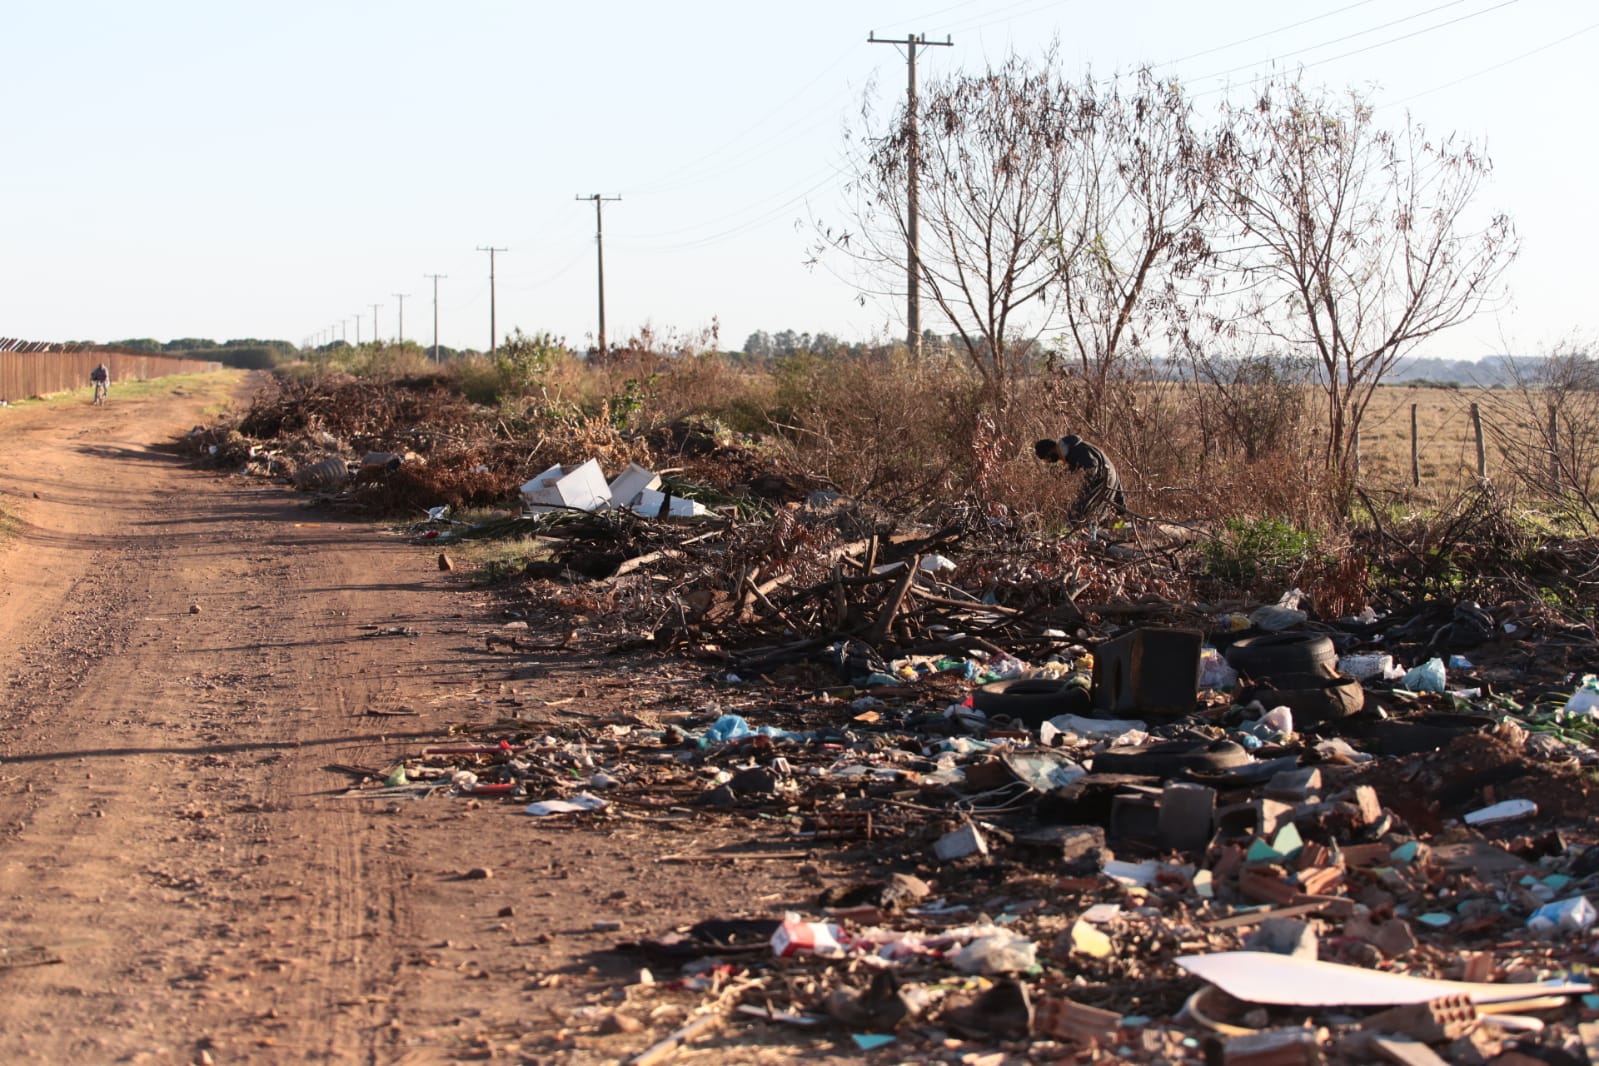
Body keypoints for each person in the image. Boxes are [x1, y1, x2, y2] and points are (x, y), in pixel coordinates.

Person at [1034, 434, 1127, 524]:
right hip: (1109, 477)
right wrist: (1121, 506)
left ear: (1049, 452)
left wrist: (1082, 494)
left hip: (1103, 478)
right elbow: (1112, 472)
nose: (1049, 462)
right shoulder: (1076, 449)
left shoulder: (1076, 451)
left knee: (1077, 516)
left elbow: (1091, 469)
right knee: (1096, 516)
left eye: (1047, 459)